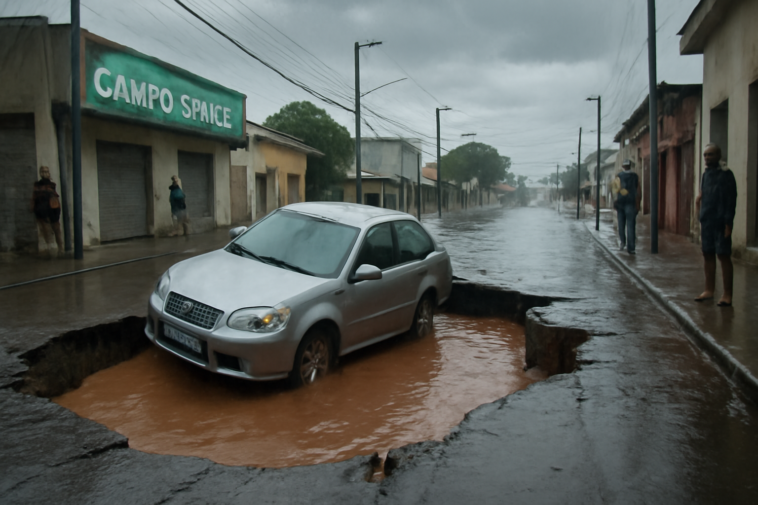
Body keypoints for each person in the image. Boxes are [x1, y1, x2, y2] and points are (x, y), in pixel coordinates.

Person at [695, 143, 737, 306]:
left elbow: (731, 200)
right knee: (708, 254)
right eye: (705, 155)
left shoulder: (726, 175)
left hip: (721, 222)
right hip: (707, 221)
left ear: (719, 156)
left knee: (723, 255)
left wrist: (728, 222)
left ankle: (727, 294)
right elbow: (703, 194)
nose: (707, 158)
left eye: (710, 154)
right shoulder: (706, 175)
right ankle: (709, 290)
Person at [31, 165, 64, 256]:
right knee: (47, 233)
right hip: (42, 213)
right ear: (40, 173)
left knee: (57, 231)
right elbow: (35, 198)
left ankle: (60, 249)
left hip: (52, 212)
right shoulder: (37, 185)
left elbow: (54, 198)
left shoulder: (52, 185)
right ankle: (50, 251)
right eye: (43, 171)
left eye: (46, 171)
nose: (45, 173)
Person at [613, 159, 641, 254]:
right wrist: (638, 205)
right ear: (630, 166)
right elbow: (638, 191)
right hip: (631, 203)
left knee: (621, 225)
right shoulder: (635, 176)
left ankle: (622, 243)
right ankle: (631, 248)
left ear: (623, 166)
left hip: (620, 203)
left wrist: (615, 201)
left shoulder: (619, 176)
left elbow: (615, 190)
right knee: (631, 225)